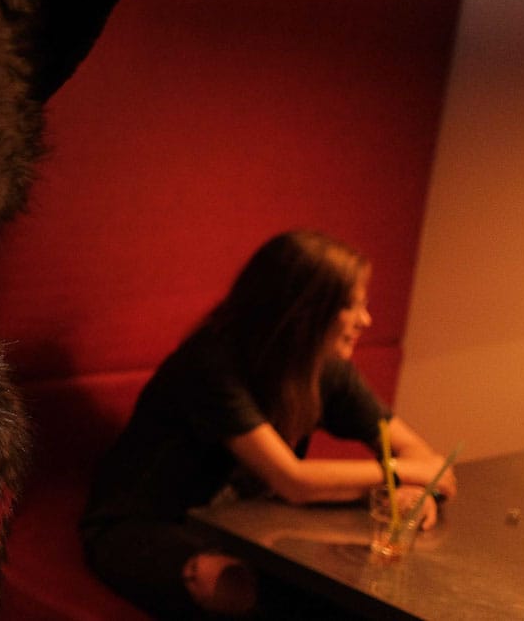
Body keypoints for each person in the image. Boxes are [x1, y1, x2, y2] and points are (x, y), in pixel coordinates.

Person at [80, 230, 458, 618]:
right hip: (146, 525)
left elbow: (415, 452)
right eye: (350, 306)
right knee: (227, 583)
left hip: (246, 528)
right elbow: (293, 480)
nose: (366, 320)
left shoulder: (323, 368)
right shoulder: (211, 363)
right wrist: (406, 473)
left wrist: (414, 491)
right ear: (301, 309)